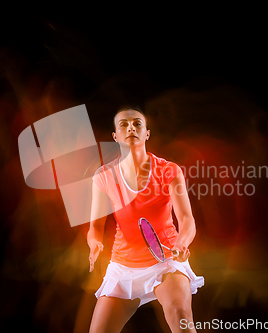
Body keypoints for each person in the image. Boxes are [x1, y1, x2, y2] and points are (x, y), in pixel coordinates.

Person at [87, 106, 204, 333]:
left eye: (137, 123)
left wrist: (181, 243)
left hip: (166, 261)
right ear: (115, 136)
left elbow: (187, 219)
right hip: (123, 266)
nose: (131, 127)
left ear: (147, 133)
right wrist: (94, 242)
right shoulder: (103, 177)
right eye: (123, 124)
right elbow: (95, 226)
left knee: (181, 320)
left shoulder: (169, 171)